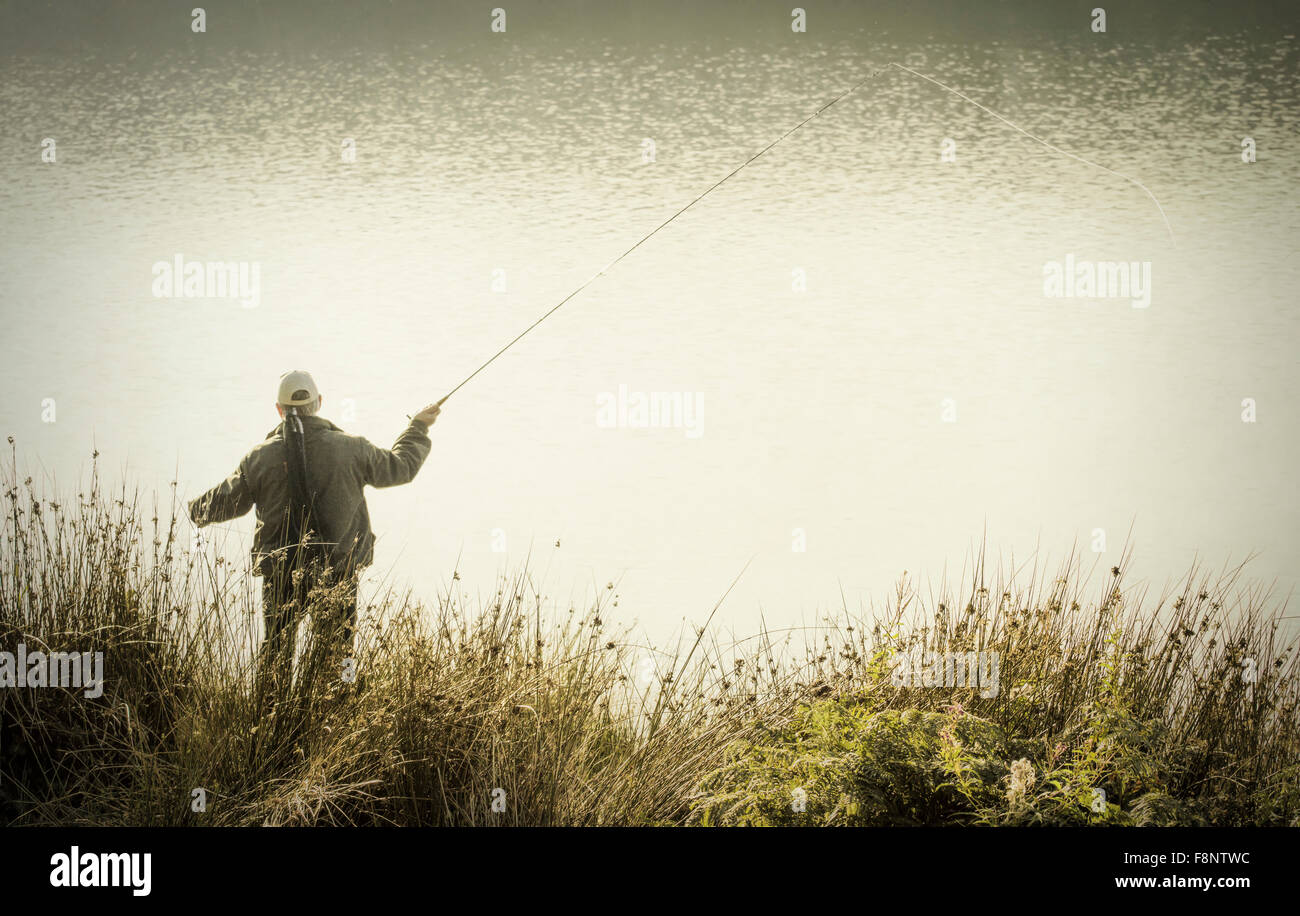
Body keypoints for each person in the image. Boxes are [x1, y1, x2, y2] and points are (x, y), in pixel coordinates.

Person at [187, 369, 441, 687]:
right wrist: (417, 427)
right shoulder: (353, 448)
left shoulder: (259, 458)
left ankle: (266, 719)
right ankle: (341, 706)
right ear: (319, 403)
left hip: (280, 576)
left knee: (276, 654)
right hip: (339, 571)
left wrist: (190, 509)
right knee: (343, 656)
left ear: (279, 410)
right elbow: (400, 467)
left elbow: (218, 504)